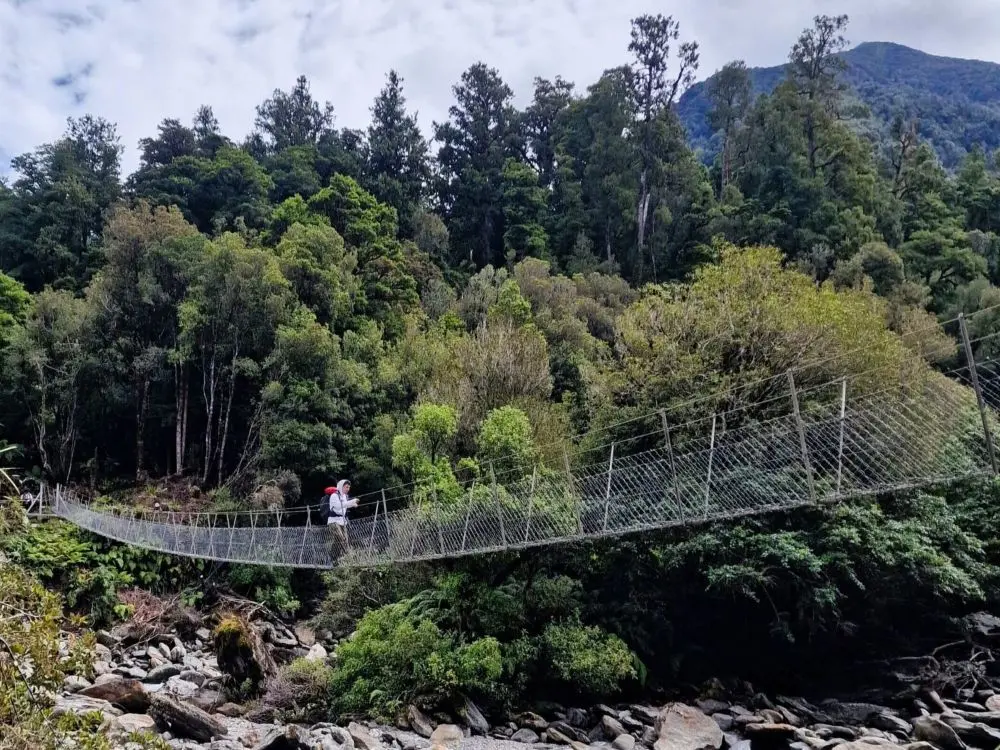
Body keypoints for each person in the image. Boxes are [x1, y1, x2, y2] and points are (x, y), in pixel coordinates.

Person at [327, 479, 359, 556]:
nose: (348, 489)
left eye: (349, 487)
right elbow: (338, 506)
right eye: (346, 487)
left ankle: (335, 556)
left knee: (344, 540)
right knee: (340, 538)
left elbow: (344, 505)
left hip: (342, 521)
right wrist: (352, 502)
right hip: (334, 521)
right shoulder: (334, 496)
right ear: (341, 487)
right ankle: (342, 555)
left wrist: (352, 505)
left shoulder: (344, 496)